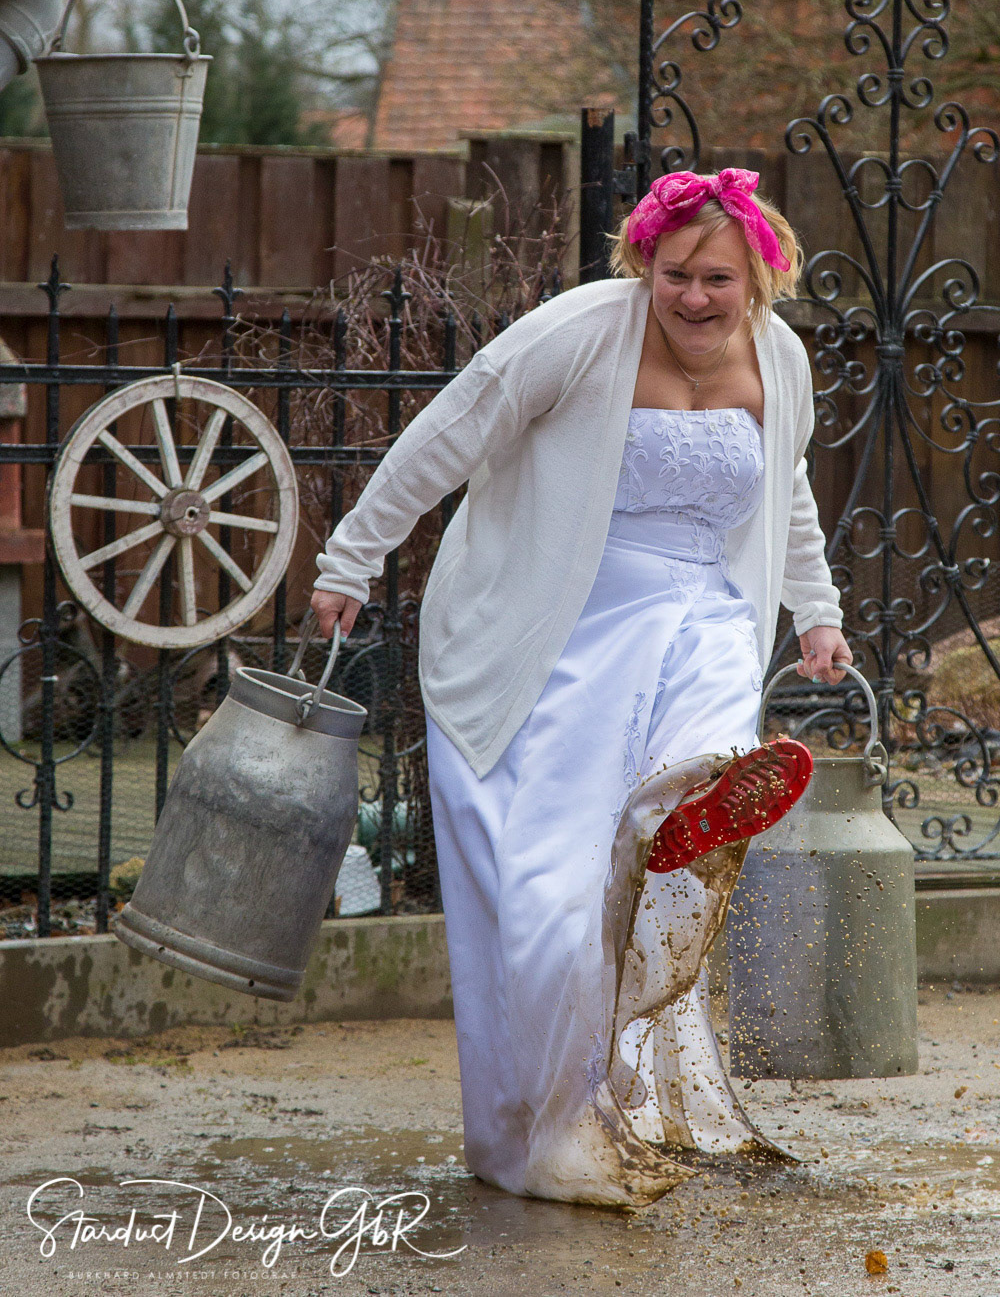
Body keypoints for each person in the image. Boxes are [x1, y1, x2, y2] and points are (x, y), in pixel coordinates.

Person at [310, 166, 852, 1209]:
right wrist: (350, 558)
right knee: (559, 903)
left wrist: (816, 611)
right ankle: (550, 1129)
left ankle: (694, 793)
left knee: (698, 755)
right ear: (644, 263)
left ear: (759, 281)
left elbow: (785, 486)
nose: (694, 296)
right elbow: (448, 433)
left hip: (706, 616)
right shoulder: (578, 332)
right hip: (564, 628)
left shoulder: (779, 358)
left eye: (718, 280)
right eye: (675, 273)